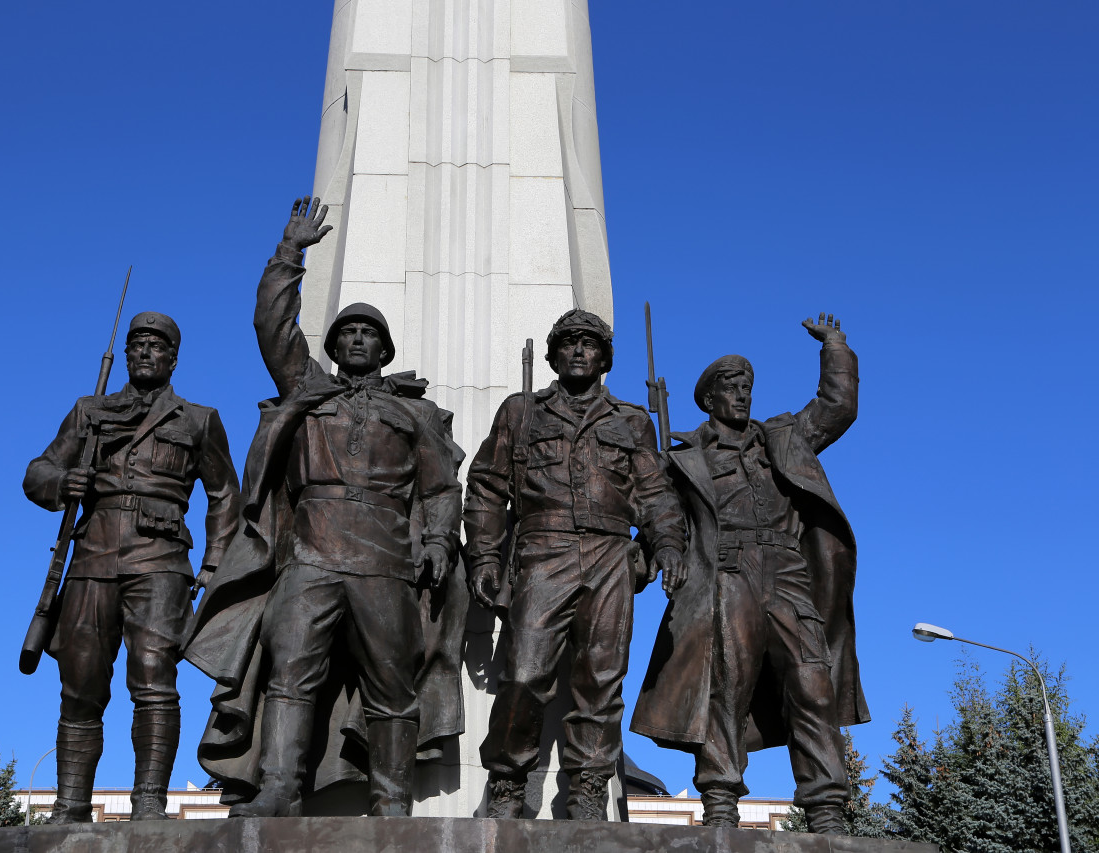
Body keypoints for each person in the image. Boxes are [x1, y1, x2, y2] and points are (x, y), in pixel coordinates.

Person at [184, 197, 465, 818]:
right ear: (333, 347)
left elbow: (442, 488)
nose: (358, 340)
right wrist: (291, 253)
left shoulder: (414, 414)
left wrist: (441, 541)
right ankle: (281, 788)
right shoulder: (307, 391)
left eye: (369, 333)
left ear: (385, 351)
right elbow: (272, 327)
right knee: (291, 677)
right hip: (309, 556)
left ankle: (391, 800)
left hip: (387, 560)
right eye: (348, 333)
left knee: (393, 685)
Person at [630, 313, 869, 835]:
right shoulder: (684, 457)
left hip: (786, 572)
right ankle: (719, 800)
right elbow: (661, 521)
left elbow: (837, 408)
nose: (742, 396)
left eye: (747, 387)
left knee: (813, 683)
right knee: (725, 685)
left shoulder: (782, 437)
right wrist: (635, 567)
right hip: (726, 573)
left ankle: (826, 806)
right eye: (731, 388)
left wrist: (836, 349)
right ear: (709, 398)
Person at [464, 309, 684, 820]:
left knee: (601, 678)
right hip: (543, 549)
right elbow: (488, 488)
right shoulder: (521, 412)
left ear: (605, 357)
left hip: (610, 552)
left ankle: (587, 787)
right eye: (568, 343)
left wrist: (668, 544)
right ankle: (506, 783)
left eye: (589, 344)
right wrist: (484, 554)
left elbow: (656, 494)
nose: (579, 351)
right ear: (553, 355)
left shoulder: (630, 420)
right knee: (522, 672)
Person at [23, 312, 240, 823]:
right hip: (92, 557)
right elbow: (37, 472)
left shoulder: (197, 418)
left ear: (173, 357)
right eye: (136, 345)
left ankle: (148, 803)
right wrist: (63, 484)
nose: (145, 352)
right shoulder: (90, 411)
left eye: (156, 346)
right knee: (79, 685)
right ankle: (70, 805)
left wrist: (213, 565)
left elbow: (225, 494)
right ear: (126, 355)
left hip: (162, 560)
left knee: (153, 680)